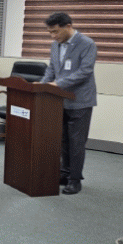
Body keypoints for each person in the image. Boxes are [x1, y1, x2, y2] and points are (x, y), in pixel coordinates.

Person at [41, 12, 97, 195]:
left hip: (80, 101)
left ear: (68, 26)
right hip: (60, 101)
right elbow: (52, 69)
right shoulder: (55, 45)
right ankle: (64, 173)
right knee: (63, 139)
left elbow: (85, 72)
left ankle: (75, 180)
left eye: (56, 32)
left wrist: (57, 84)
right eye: (50, 32)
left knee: (77, 142)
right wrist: (41, 86)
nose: (53, 36)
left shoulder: (87, 44)